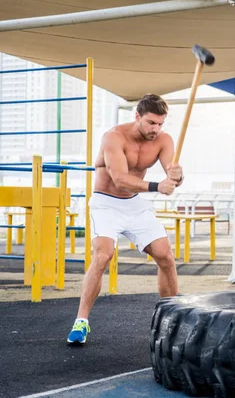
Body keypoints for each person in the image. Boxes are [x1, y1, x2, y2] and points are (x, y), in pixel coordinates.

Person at [67, 94, 183, 345]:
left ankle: (171, 318)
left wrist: (177, 176)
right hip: (105, 202)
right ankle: (81, 321)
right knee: (103, 255)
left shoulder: (164, 140)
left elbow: (170, 176)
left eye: (160, 124)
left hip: (134, 204)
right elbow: (119, 178)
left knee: (165, 255)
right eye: (152, 123)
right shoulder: (113, 137)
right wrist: (157, 186)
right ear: (137, 116)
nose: (156, 129)